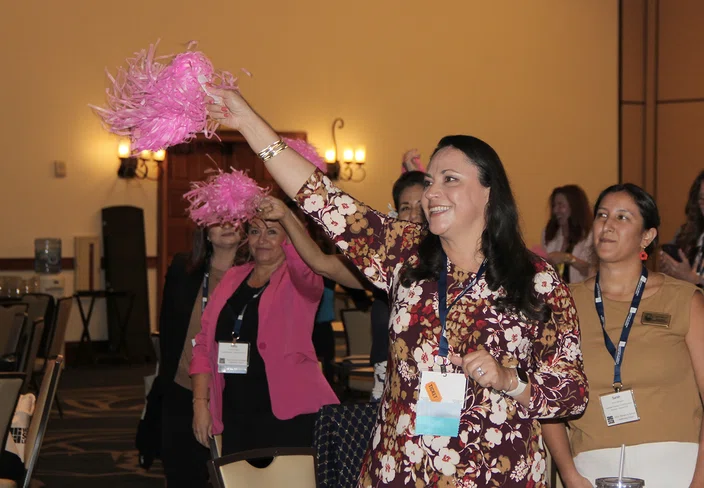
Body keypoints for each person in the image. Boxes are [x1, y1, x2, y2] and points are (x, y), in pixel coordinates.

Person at [204, 88, 589, 486]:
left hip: (496, 472)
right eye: (429, 182)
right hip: (401, 469)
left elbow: (572, 392)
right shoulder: (404, 253)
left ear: (490, 193)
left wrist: (510, 380)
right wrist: (249, 122)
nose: (431, 193)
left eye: (450, 180)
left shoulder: (535, 278)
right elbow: (323, 198)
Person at [542, 183, 704, 487]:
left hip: (677, 465)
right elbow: (547, 398)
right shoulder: (564, 303)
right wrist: (569, 474)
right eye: (602, 215)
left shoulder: (683, 300)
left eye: (622, 217)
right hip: (590, 469)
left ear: (647, 236)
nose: (607, 224)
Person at [190, 216, 339, 457]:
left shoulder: (300, 280)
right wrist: (200, 403)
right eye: (255, 231)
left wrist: (288, 220)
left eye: (272, 232)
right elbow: (204, 342)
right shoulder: (233, 277)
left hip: (289, 414)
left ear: (287, 239)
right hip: (236, 411)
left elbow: (308, 264)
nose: (262, 240)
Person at [159, 223, 243, 488]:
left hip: (236, 393)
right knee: (183, 475)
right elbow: (169, 328)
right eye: (219, 219)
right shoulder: (183, 270)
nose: (228, 225)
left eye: (234, 218)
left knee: (238, 476)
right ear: (206, 232)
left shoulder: (258, 273)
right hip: (184, 386)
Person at [660, 170, 704, 286]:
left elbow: (690, 279)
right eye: (702, 199)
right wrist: (671, 269)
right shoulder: (686, 233)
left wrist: (694, 280)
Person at [542, 185, 594, 283]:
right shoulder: (549, 233)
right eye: (554, 206)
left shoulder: (591, 235)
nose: (555, 210)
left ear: (574, 207)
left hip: (581, 293)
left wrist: (567, 258)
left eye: (561, 205)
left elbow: (593, 271)